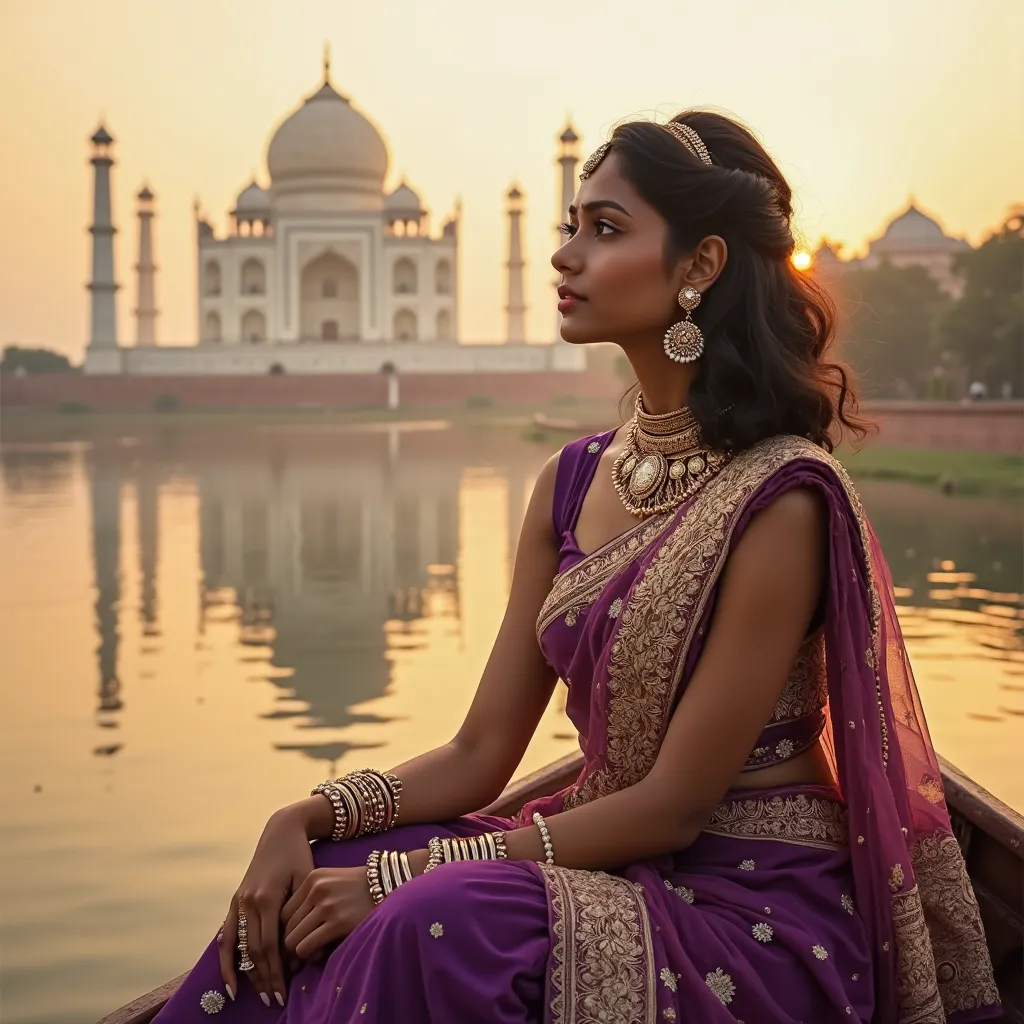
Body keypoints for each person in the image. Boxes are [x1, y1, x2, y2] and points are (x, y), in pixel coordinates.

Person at [155, 112, 1000, 1024]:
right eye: (570, 226)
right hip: (600, 847)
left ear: (700, 266)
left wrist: (404, 872)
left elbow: (675, 808)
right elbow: (481, 755)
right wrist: (305, 816)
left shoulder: (779, 497)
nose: (566, 255)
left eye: (605, 230)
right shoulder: (570, 482)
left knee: (431, 914)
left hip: (750, 903)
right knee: (316, 876)